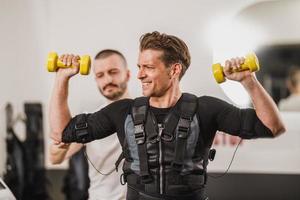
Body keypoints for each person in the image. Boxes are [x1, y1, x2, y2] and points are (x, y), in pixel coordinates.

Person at [51, 31, 286, 200]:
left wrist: (248, 80)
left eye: (149, 68)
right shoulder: (122, 111)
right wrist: (61, 78)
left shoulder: (206, 108)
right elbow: (61, 131)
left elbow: (272, 127)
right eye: (140, 67)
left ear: (174, 69)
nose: (140, 75)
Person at [49, 49, 130, 200]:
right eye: (100, 75)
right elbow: (55, 158)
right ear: (96, 79)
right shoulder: (91, 120)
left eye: (113, 72)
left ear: (128, 74)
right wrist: (62, 77)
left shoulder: (146, 113)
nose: (107, 80)